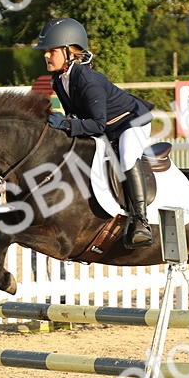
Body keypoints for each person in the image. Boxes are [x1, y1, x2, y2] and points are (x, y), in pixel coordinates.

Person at [34, 17, 156, 249]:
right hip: (105, 126)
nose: (46, 56)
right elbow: (75, 117)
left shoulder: (89, 80)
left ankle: (141, 221)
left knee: (128, 156)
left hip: (130, 123)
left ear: (69, 51)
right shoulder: (59, 80)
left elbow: (97, 125)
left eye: (51, 51)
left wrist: (67, 125)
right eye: (46, 51)